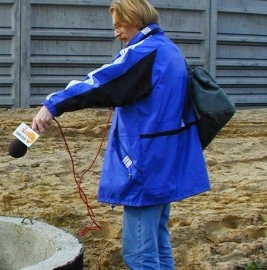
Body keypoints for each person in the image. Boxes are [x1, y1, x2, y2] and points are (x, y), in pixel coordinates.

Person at [31, 0, 210, 269]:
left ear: (136, 19)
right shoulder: (169, 49)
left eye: (119, 25)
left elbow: (101, 82)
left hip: (146, 164)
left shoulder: (145, 52)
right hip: (164, 160)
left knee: (139, 254)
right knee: (158, 244)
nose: (117, 33)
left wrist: (53, 104)